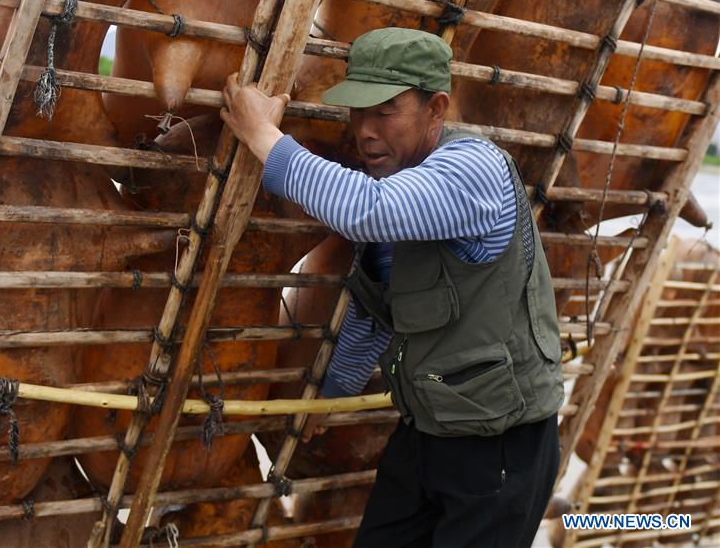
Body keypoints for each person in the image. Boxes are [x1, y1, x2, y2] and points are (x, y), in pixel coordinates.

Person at [220, 27, 564, 547]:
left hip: (500, 445)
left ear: (436, 108)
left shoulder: (474, 169)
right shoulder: (402, 183)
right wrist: (334, 389)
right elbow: (382, 311)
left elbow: (368, 212)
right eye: (358, 112)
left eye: (385, 112)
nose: (366, 131)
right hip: (426, 432)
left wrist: (263, 136)